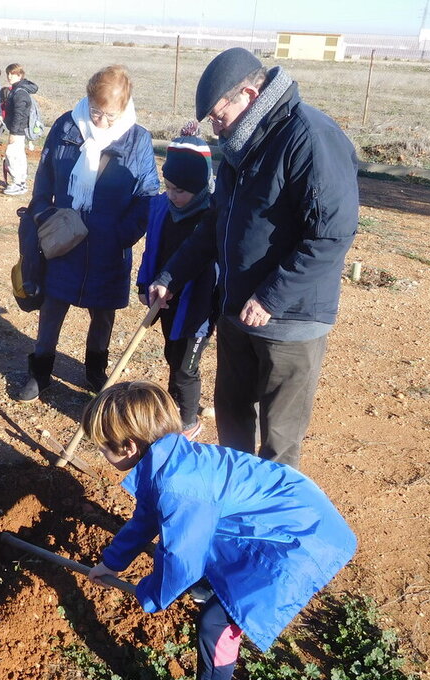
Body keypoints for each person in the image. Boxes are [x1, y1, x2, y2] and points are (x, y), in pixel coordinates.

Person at [83, 381, 356, 680]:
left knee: (217, 622)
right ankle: (216, 588)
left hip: (301, 539)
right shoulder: (169, 460)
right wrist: (111, 563)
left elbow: (180, 557)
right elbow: (146, 517)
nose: (102, 454)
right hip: (284, 517)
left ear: (129, 447)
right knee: (208, 568)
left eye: (102, 448)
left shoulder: (180, 486)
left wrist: (151, 593)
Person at [149, 48, 359, 469]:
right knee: (232, 420)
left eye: (217, 112)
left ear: (247, 93)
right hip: (236, 310)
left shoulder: (310, 138)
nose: (213, 123)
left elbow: (331, 234)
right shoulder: (240, 144)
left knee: (278, 440)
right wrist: (171, 275)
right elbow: (215, 224)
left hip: (291, 318)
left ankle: (268, 526)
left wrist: (270, 298)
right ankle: (233, 508)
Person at [15, 64, 159, 401]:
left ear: (124, 108)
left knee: (103, 316)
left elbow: (148, 196)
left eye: (110, 115)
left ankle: (95, 372)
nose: (100, 121)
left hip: (109, 248)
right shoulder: (66, 126)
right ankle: (40, 372)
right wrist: (45, 214)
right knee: (52, 308)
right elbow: (45, 179)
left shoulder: (138, 139)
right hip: (63, 243)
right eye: (96, 111)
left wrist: (122, 236)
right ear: (87, 98)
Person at [136, 124, 216, 439]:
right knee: (172, 354)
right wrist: (145, 285)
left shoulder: (212, 216)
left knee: (186, 366)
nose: (171, 195)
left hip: (198, 305)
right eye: (168, 187)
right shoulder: (161, 208)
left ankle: (187, 422)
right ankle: (175, 408)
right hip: (166, 299)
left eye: (179, 190)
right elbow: (151, 249)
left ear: (199, 188)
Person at [2, 63, 38, 196]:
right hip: (19, 130)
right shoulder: (18, 90)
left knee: (12, 154)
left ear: (20, 75)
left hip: (18, 131)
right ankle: (21, 182)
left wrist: (14, 132)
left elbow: (20, 115)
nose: (9, 76)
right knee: (19, 155)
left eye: (13, 74)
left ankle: (18, 183)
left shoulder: (19, 93)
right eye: (8, 73)